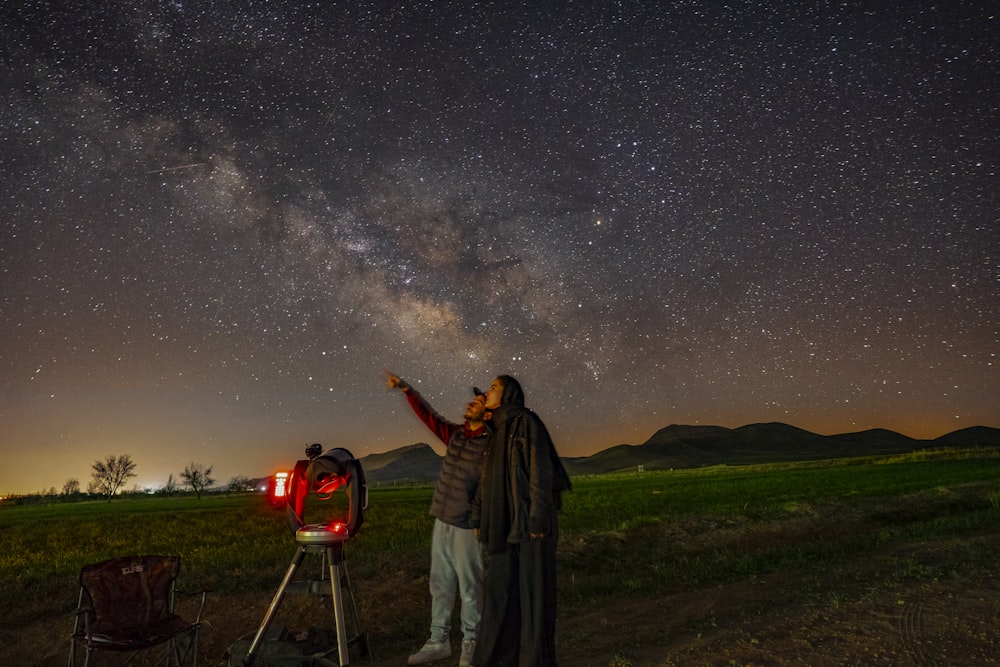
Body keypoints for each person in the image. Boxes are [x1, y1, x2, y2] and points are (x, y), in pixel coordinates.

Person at [387, 372, 490, 667]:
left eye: (478, 401)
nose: (470, 403)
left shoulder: (490, 444)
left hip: (467, 525)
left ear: (489, 411)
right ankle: (438, 642)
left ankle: (471, 645)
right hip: (442, 519)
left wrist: (479, 517)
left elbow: (488, 486)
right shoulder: (456, 434)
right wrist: (408, 389)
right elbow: (428, 416)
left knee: (470, 586)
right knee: (440, 584)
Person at [471, 375, 571, 667]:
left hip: (530, 526)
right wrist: (479, 514)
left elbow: (541, 471)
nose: (487, 391)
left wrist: (538, 518)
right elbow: (484, 478)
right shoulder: (494, 431)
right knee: (500, 597)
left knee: (535, 600)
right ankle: (497, 660)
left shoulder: (527, 422)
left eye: (493, 387)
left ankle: (536, 661)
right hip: (502, 526)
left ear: (509, 393)